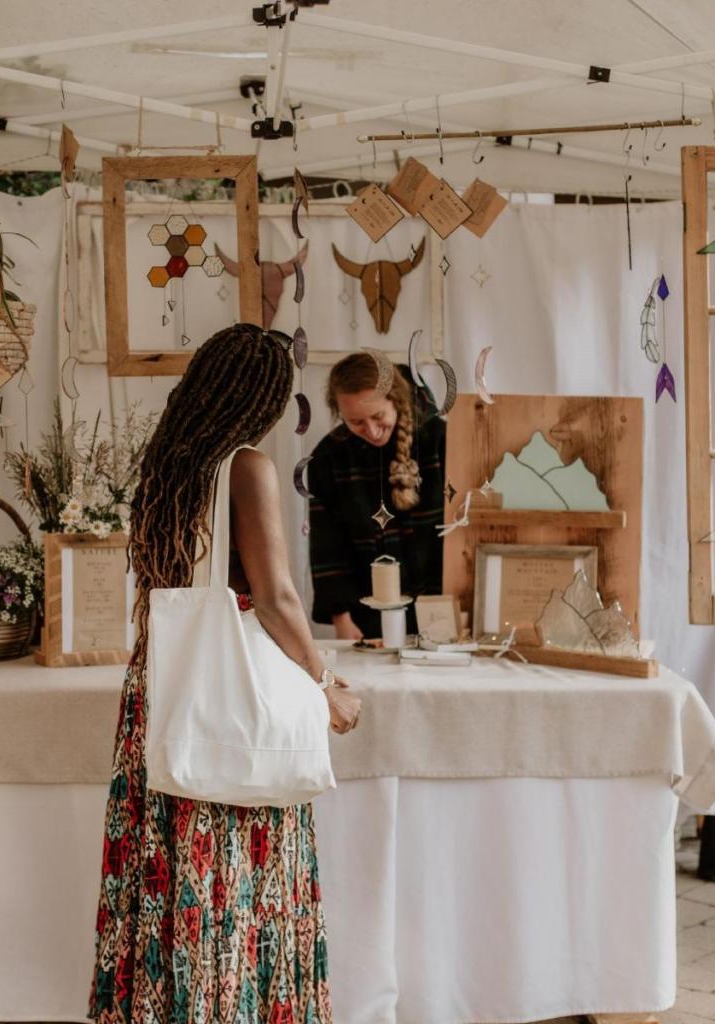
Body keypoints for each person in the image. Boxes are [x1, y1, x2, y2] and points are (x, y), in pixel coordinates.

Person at [90, 323, 362, 1024]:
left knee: (171, 873)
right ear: (261, 402)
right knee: (235, 881)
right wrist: (325, 682)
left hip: (162, 685)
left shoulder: (167, 466)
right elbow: (274, 598)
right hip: (227, 697)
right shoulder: (245, 466)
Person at [307, 353, 447, 640]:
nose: (370, 431)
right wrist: (340, 618)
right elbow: (328, 546)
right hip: (367, 618)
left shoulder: (443, 440)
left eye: (378, 416)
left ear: (395, 400)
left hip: (444, 610)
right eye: (355, 422)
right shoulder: (328, 458)